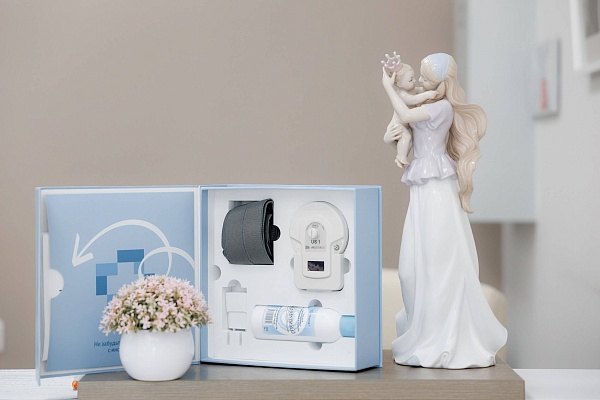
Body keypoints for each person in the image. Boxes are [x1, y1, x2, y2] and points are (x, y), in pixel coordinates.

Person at [381, 53, 507, 369]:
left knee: (439, 260)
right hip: (422, 187)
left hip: (437, 187)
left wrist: (388, 87)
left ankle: (442, 337)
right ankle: (423, 331)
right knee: (412, 266)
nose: (421, 83)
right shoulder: (426, 102)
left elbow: (405, 114)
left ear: (441, 82)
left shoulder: (442, 108)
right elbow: (401, 124)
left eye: (426, 79)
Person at [382, 60, 437, 168]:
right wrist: (428, 95)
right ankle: (400, 157)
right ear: (399, 84)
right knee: (406, 137)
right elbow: (414, 100)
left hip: (405, 126)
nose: (415, 81)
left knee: (409, 141)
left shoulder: (412, 89)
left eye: (413, 78)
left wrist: (428, 89)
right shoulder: (402, 94)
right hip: (397, 125)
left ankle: (402, 155)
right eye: (410, 80)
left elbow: (420, 90)